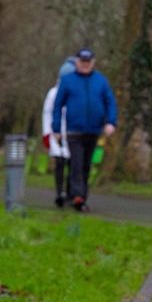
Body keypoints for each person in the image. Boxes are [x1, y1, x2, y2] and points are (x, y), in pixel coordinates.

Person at [52, 48, 118, 213]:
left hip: (94, 130)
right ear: (77, 62)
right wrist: (56, 128)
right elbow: (58, 105)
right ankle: (77, 197)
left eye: (88, 62)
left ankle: (82, 197)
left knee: (86, 165)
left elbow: (110, 102)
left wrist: (111, 122)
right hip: (74, 130)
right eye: (82, 62)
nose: (85, 65)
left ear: (93, 63)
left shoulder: (101, 81)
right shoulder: (67, 81)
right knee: (76, 163)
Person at [41, 57, 76, 207]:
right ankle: (59, 193)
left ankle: (69, 193)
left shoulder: (75, 94)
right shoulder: (53, 93)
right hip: (56, 133)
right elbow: (47, 113)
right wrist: (47, 134)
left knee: (72, 164)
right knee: (60, 164)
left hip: (72, 134)